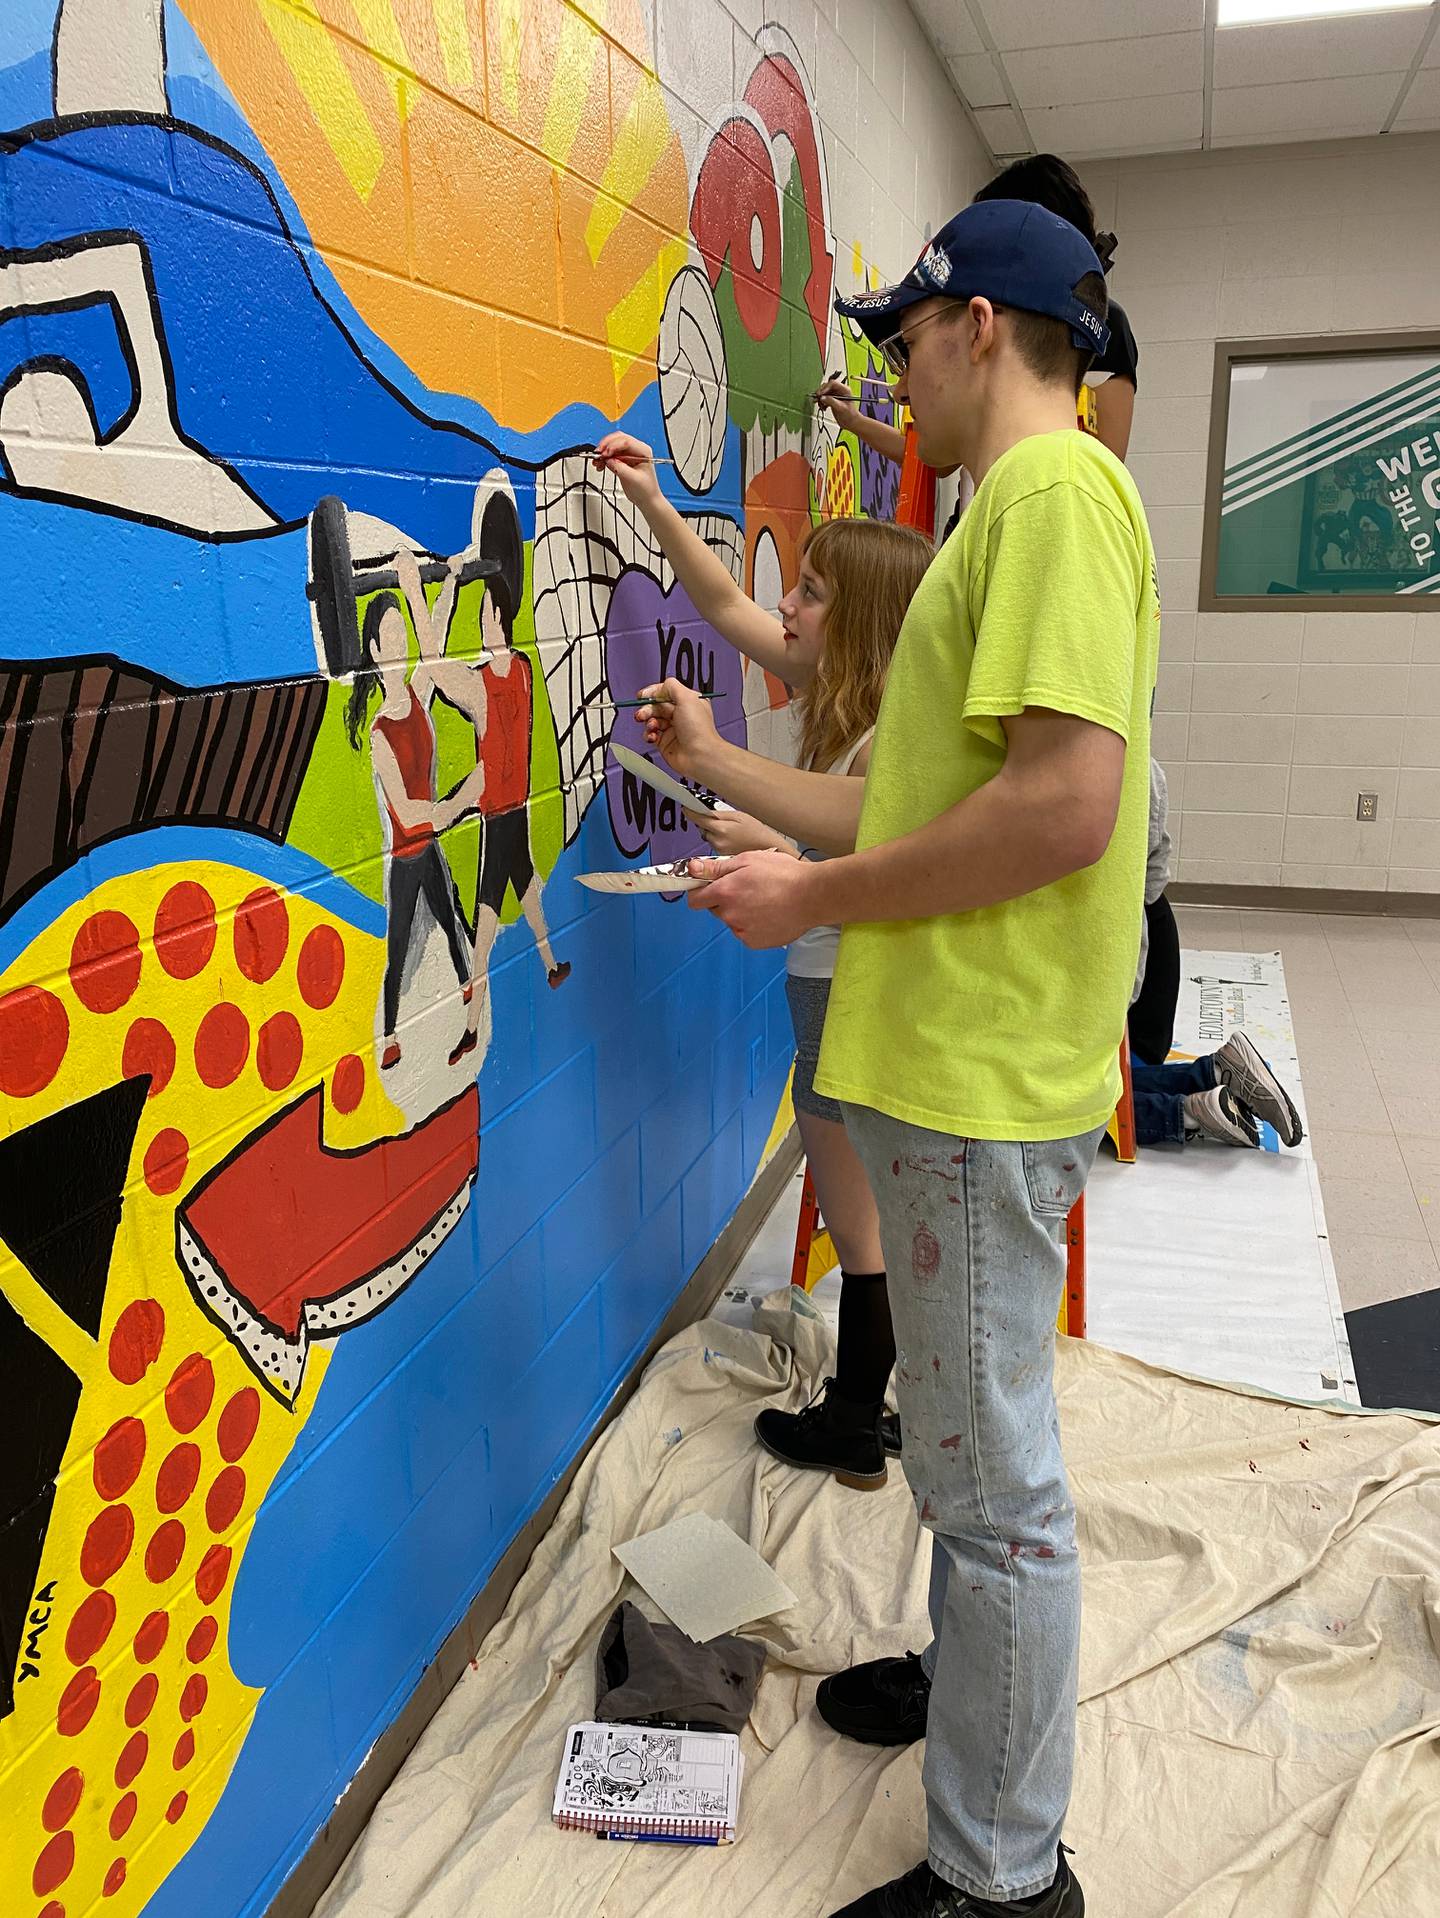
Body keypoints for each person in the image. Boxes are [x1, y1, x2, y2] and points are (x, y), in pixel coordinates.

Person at [640, 199, 1157, 1917]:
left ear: (980, 329)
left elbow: (1068, 807)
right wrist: (747, 800)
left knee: (996, 1489)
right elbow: (909, 801)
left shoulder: (1055, 496)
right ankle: (971, 1691)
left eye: (902, 341)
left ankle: (1004, 1876)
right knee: (958, 1447)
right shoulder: (1005, 511)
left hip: (982, 1075)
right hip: (945, 1063)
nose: (889, 379)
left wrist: (823, 887)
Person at [592, 425, 933, 1489]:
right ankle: (875, 1407)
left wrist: (743, 803)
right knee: (864, 1214)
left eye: (815, 593)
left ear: (865, 622)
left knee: (855, 1218)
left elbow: (863, 850)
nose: (788, 605)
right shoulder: (852, 692)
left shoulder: (886, 742)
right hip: (845, 986)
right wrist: (653, 503)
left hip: (845, 992)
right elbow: (731, 610)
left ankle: (853, 1421)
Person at [816, 153, 1139, 542]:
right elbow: (938, 456)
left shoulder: (1063, 496)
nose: (902, 390)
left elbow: (1103, 462)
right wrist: (853, 420)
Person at [343, 545, 481, 1072]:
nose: (402, 641)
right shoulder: (380, 732)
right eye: (392, 635)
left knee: (451, 923)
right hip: (407, 855)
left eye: (404, 631)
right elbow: (406, 810)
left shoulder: (420, 692)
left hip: (433, 849)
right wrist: (457, 804)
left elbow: (435, 643)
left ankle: (467, 985)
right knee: (398, 947)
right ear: (375, 652)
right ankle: (392, 1034)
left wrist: (447, 580)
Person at [447, 482, 570, 1067]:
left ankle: (471, 1018)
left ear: (494, 619)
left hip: (499, 819)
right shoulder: (520, 669)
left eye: (483, 617)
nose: (481, 626)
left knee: (487, 925)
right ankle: (549, 965)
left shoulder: (482, 683)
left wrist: (446, 588)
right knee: (531, 894)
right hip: (514, 811)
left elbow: (432, 670)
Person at [1127, 762, 1304, 1151]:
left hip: (1126, 992)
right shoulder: (1143, 764)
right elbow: (1153, 879)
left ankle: (1193, 1110)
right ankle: (1217, 1072)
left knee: (1047, 1105)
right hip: (1154, 942)